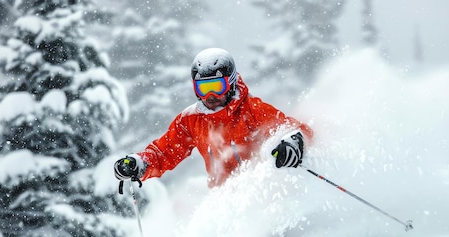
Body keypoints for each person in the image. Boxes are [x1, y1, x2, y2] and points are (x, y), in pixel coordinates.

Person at [114, 48, 314, 189]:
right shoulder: (191, 120)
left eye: (217, 87)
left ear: (231, 83)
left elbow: (292, 128)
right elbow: (164, 152)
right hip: (224, 198)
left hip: (263, 191)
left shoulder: (252, 110)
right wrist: (140, 164)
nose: (210, 96)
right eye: (203, 88)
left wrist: (293, 142)